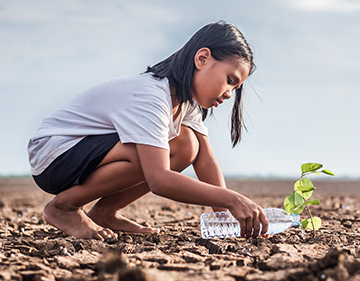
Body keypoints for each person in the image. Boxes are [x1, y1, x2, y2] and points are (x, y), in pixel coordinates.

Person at [28, 21, 269, 241]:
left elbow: (206, 161)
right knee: (146, 152)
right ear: (202, 59)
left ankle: (105, 211)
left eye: (235, 88)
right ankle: (64, 207)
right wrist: (232, 199)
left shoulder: (185, 103)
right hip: (55, 155)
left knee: (186, 145)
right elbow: (159, 179)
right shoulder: (152, 96)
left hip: (82, 153)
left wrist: (225, 217)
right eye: (230, 80)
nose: (229, 93)